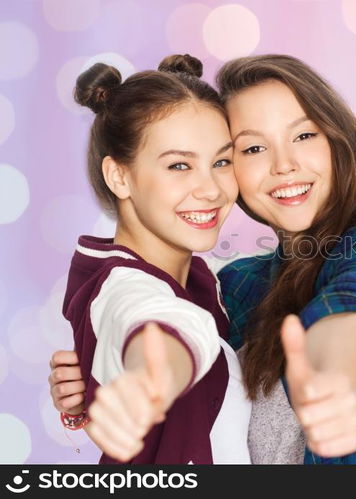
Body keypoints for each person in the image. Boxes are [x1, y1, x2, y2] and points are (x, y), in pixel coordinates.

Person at [51, 54, 356, 464]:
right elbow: (158, 326)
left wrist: (336, 377)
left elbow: (353, 309)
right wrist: (110, 383)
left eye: (304, 136)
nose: (285, 165)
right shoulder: (234, 284)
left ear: (340, 139)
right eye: (252, 148)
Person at [63, 54, 251, 464]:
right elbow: (155, 324)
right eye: (179, 165)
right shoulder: (123, 290)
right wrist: (150, 381)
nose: (212, 190)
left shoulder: (201, 279)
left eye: (221, 161)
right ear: (120, 176)